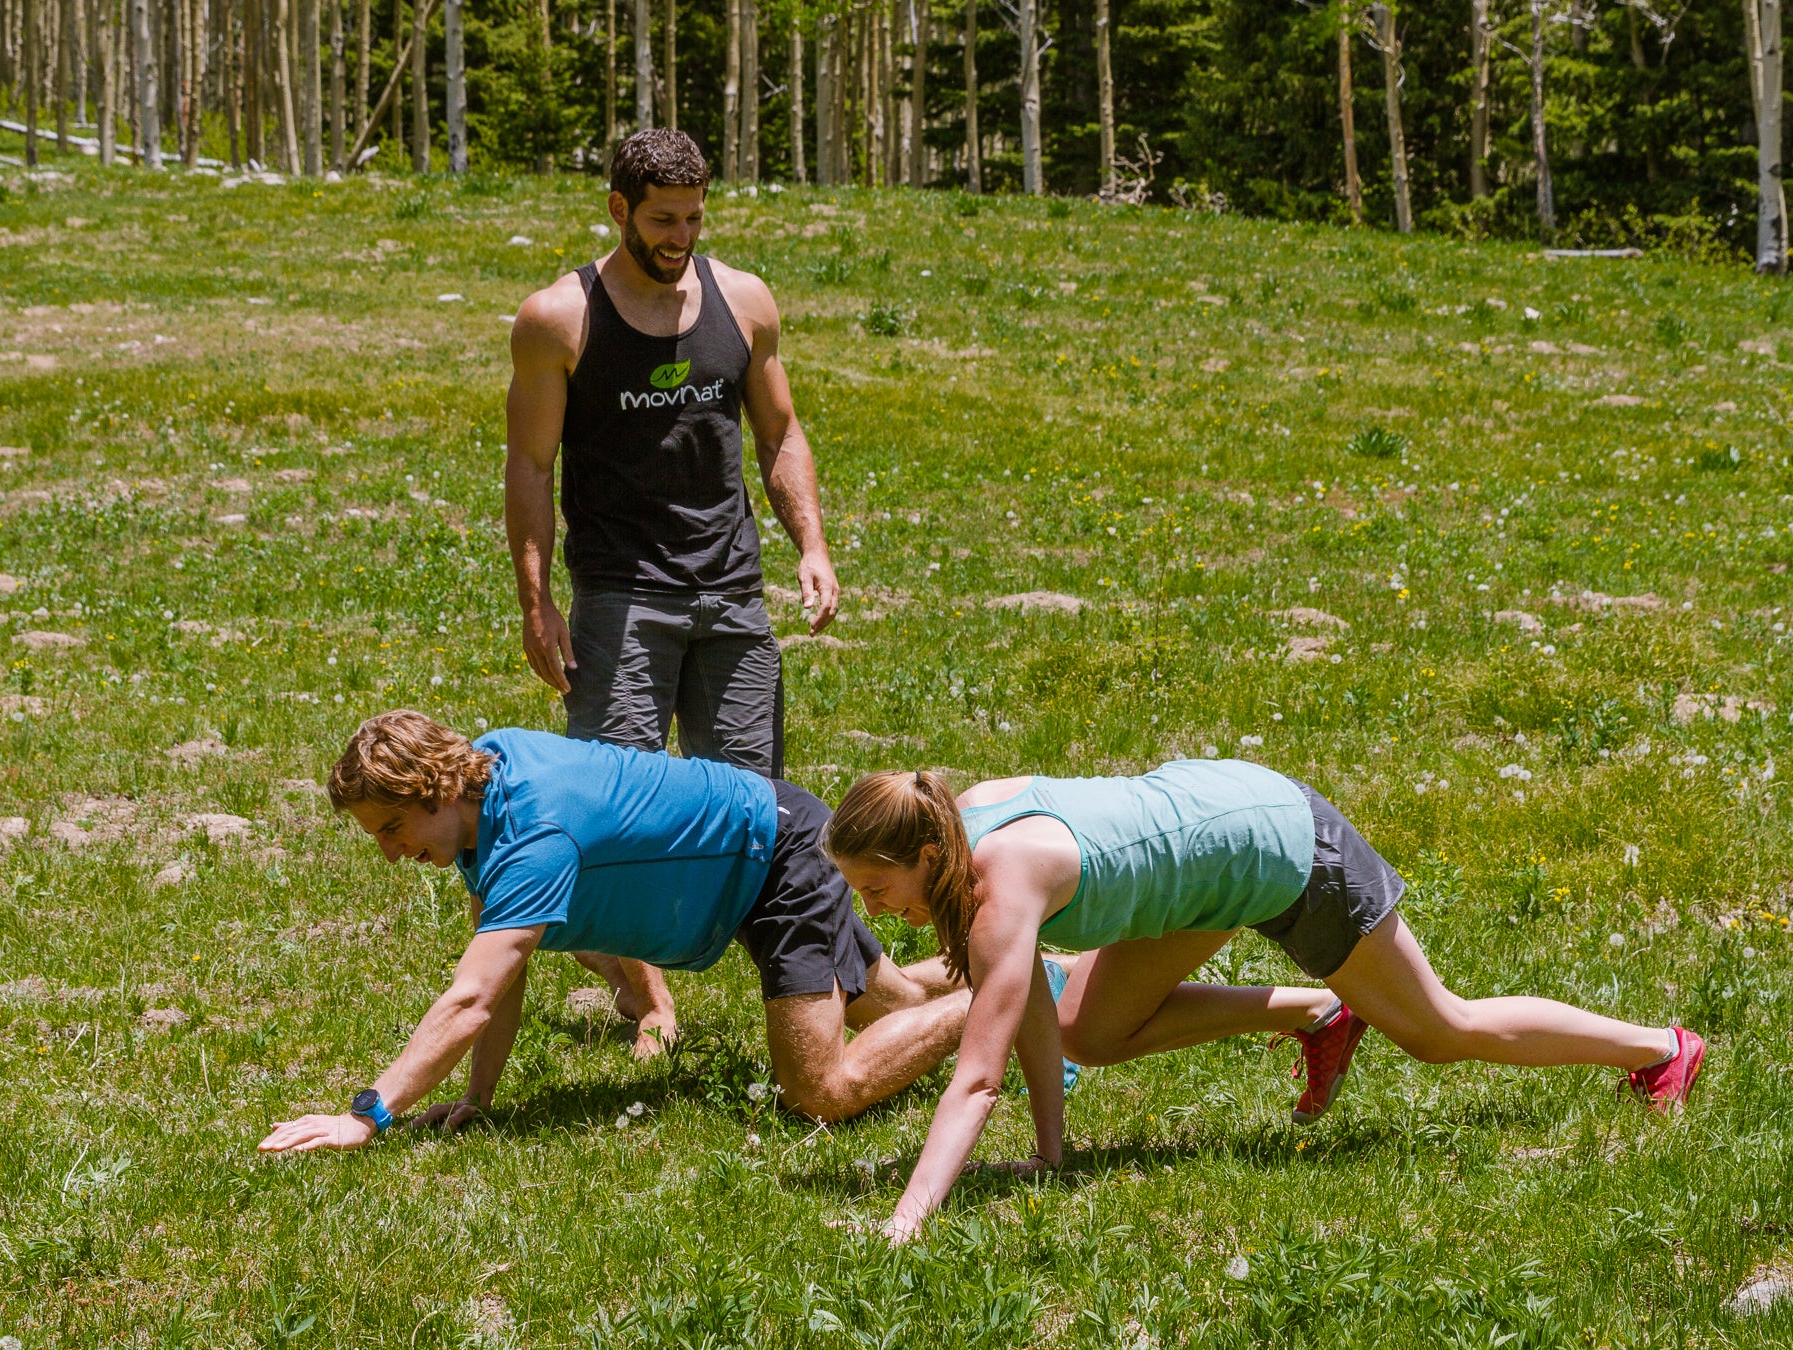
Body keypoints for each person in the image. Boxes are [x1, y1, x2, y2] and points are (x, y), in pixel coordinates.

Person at [823, 760, 1709, 1242]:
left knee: (1442, 1028)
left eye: (876, 887)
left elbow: (979, 1079)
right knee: (1090, 1027)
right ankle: (1320, 1013)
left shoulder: (999, 891)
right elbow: (1031, 1016)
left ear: (927, 856)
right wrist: (1050, 1157)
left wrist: (906, 1221)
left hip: (1286, 852)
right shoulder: (961, 814)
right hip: (1211, 846)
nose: (874, 909)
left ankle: (1661, 1048)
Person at [256, 712, 964, 1156]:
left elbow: (470, 999)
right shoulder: (486, 777)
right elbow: (500, 980)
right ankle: (995, 975)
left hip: (776, 857)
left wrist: (368, 1115)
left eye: (391, 828)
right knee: (897, 1004)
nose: (388, 853)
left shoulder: (535, 833)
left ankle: (997, 996)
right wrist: (478, 1097)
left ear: (438, 790)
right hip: (753, 853)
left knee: (818, 1090)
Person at [505, 128, 840, 1056]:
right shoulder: (559, 319)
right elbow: (530, 465)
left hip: (730, 591)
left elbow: (779, 433)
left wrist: (811, 545)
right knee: (612, 816)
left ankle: (816, 994)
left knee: (754, 811)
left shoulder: (744, 301)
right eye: (662, 220)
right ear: (619, 210)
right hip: (620, 594)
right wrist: (536, 600)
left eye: (694, 217)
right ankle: (647, 998)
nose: (681, 237)